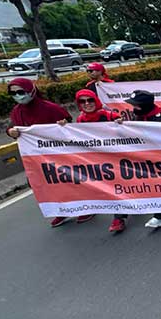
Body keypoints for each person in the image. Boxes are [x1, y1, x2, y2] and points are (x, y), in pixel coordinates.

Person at [57, 88, 128, 232]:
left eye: (90, 100)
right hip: (96, 160)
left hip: (115, 158)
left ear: (96, 101)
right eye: (82, 101)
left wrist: (121, 122)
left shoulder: (109, 115)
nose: (87, 104)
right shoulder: (80, 120)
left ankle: (119, 218)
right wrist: (65, 127)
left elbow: (126, 130)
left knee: (117, 187)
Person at [5, 78, 73, 228]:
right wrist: (11, 132)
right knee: (44, 184)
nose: (18, 96)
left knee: (67, 181)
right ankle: (61, 210)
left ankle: (83, 209)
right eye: (13, 93)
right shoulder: (17, 111)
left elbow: (69, 124)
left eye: (21, 92)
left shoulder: (50, 108)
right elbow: (11, 127)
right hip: (36, 158)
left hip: (58, 154)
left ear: (31, 90)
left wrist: (63, 124)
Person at [124, 90, 161, 229]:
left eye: (136, 105)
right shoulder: (137, 118)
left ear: (146, 105)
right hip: (146, 159)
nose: (134, 108)